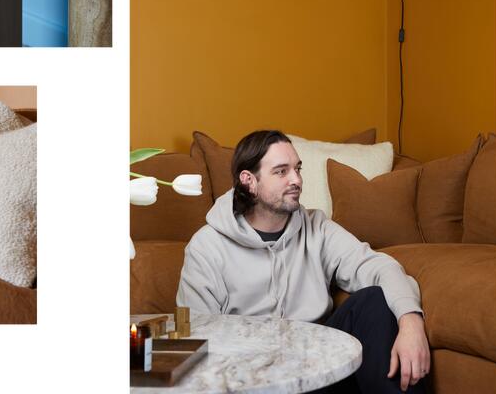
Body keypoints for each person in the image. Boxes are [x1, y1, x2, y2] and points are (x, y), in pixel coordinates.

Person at [177, 130, 430, 393]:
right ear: (248, 181)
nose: (296, 179)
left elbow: (379, 267)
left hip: (318, 370)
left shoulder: (317, 227)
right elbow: (194, 336)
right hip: (249, 380)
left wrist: (411, 320)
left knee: (374, 300)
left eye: (297, 169)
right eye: (281, 171)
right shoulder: (207, 246)